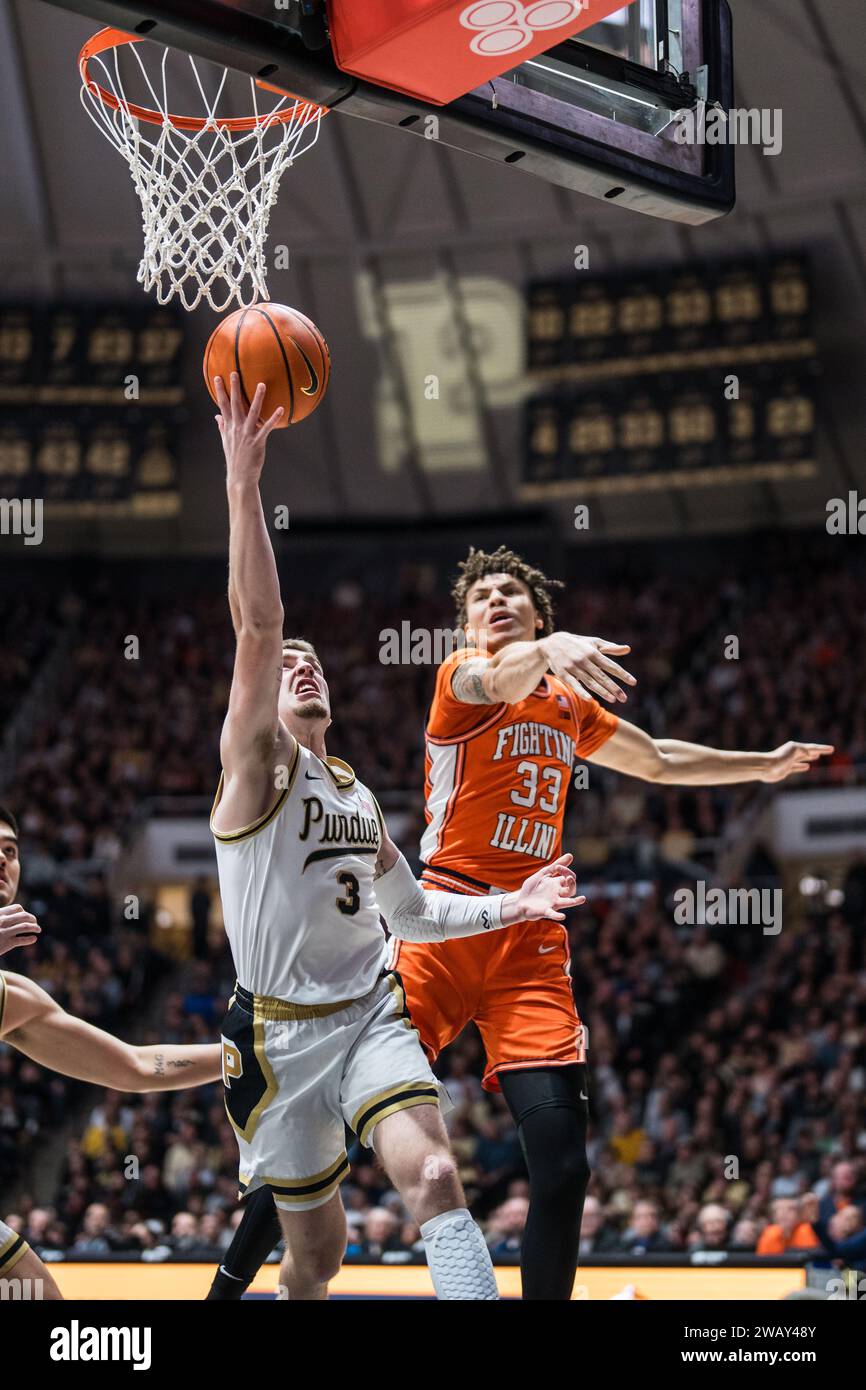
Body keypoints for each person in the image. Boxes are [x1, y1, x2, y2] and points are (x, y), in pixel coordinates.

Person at [212, 544, 833, 1301]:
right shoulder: (461, 680)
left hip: (531, 941)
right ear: (468, 625)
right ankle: (229, 1285)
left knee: (564, 1164)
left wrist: (760, 765)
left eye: (513, 593)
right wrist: (545, 651)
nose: (496, 601)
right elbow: (502, 674)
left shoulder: (568, 706)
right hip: (440, 922)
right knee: (325, 1138)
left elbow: (662, 760)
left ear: (541, 613)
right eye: (482, 598)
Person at [207, 376, 582, 1301]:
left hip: (370, 1014)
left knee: (438, 1177)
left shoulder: (359, 799)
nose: (301, 667)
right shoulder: (254, 767)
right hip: (278, 1038)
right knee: (315, 1263)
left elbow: (413, 916)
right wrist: (243, 485)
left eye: (314, 664)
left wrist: (518, 902)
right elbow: (260, 623)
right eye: (287, 667)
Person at [0, 804, 223, 1299]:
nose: (3, 860)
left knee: (41, 1298)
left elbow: (134, 1066)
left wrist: (242, 1055)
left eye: (10, 851)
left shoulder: (13, 998)